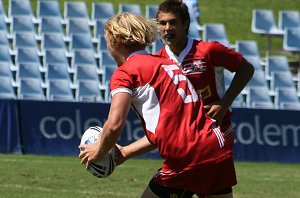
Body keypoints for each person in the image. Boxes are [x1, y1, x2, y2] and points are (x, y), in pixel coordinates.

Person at [79, 12, 245, 198]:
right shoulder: (166, 63)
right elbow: (167, 130)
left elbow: (115, 124)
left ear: (116, 41)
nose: (108, 48)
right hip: (216, 146)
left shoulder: (125, 73)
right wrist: (124, 152)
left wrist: (99, 149)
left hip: (187, 156)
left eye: (107, 42)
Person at [117, 1, 255, 197]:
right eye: (161, 23)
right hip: (188, 143)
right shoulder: (157, 62)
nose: (167, 29)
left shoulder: (208, 51)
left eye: (172, 23)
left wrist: (224, 103)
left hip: (216, 133)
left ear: (186, 24)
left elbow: (246, 69)